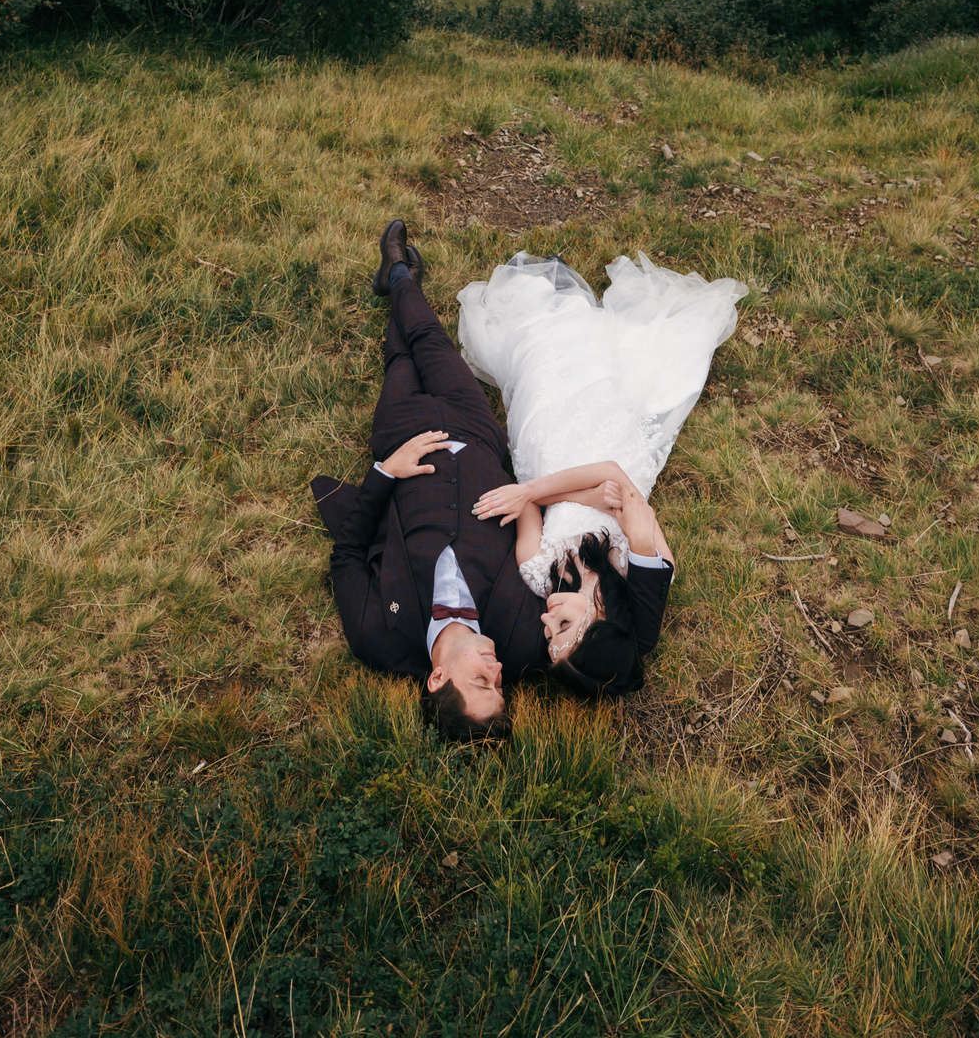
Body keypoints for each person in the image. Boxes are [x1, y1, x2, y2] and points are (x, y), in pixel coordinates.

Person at [461, 250, 747, 697]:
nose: (545, 616)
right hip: (608, 447)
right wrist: (572, 493)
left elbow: (529, 501)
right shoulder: (643, 569)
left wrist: (578, 497)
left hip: (550, 461)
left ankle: (553, 297)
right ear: (601, 620)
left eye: (547, 633)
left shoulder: (539, 573)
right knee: (591, 369)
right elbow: (612, 473)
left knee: (538, 370)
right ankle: (571, 305)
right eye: (563, 624)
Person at [312, 221, 547, 743]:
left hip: (403, 438)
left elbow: (347, 555)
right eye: (501, 686)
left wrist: (384, 473)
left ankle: (400, 279)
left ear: (437, 679)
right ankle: (399, 274)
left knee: (400, 359)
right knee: (430, 341)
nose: (498, 671)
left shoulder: (380, 636)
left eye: (482, 682)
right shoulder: (523, 640)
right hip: (477, 433)